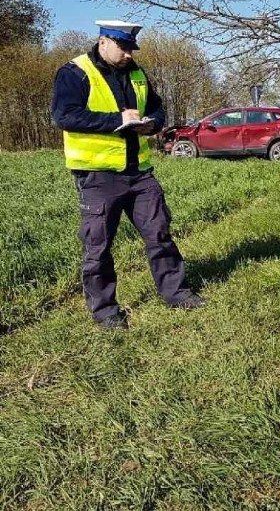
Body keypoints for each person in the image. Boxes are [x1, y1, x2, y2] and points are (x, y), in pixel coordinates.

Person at [51, 20, 206, 330]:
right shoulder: (75, 72)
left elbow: (158, 108)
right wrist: (117, 120)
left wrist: (154, 123)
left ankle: (176, 293)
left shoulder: (136, 71)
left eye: (130, 48)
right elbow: (64, 115)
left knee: (159, 232)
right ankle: (106, 313)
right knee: (98, 247)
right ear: (103, 41)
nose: (127, 55)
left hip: (139, 173)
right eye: (122, 48)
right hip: (97, 176)